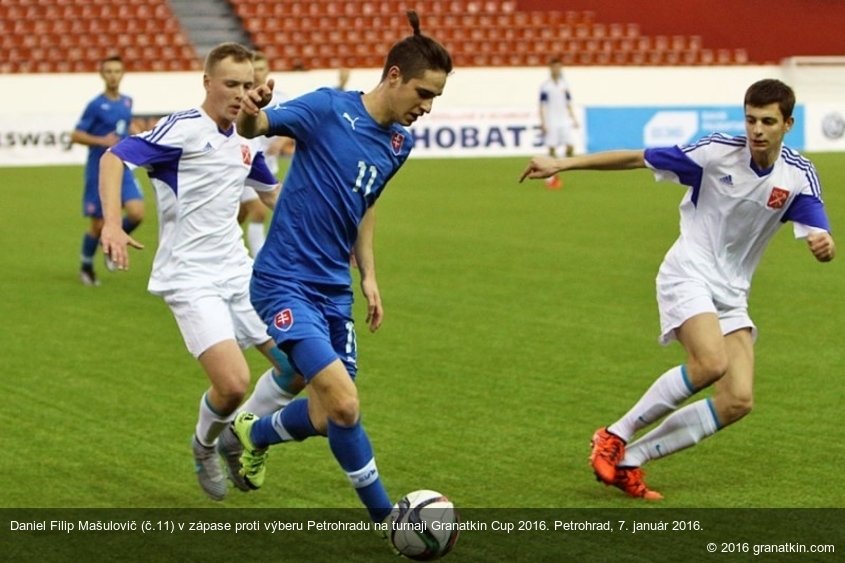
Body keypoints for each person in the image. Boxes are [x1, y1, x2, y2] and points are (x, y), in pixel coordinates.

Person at [520, 79, 835, 500]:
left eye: (767, 121)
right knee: (710, 363)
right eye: (750, 119)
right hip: (687, 272)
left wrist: (824, 244)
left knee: (738, 400)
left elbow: (821, 235)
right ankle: (613, 434)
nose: (757, 130)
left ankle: (630, 460)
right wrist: (565, 164)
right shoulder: (714, 152)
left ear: (787, 124)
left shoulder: (797, 176)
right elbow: (636, 158)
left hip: (731, 293)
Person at [231, 10, 452, 531]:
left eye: (436, 98)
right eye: (423, 93)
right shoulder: (328, 108)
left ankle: (254, 434)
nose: (427, 107)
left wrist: (368, 275)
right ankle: (389, 521)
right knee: (346, 404)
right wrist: (251, 110)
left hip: (334, 288)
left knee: (331, 413)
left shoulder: (401, 144)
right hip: (284, 281)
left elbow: (364, 204)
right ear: (393, 75)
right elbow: (255, 127)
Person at [99, 43, 304, 501]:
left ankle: (236, 438)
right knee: (232, 384)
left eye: (247, 85)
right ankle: (204, 445)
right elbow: (114, 158)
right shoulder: (181, 130)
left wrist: (336, 230)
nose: (240, 93)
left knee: (297, 369)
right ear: (207, 82)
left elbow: (274, 196)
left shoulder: (248, 139)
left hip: (239, 273)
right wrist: (112, 222)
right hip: (190, 277)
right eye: (231, 84)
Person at [71, 55, 144, 286]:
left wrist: (135, 132)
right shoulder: (95, 105)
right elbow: (76, 135)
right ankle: (86, 266)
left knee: (137, 212)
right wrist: (101, 140)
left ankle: (112, 241)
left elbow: (123, 126)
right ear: (102, 75)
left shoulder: (127, 102)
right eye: (109, 71)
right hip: (99, 169)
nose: (113, 75)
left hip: (122, 166)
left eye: (117, 71)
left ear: (122, 74)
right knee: (97, 225)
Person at [238, 51, 293, 257]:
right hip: (244, 166)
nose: (258, 74)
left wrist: (281, 142)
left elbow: (293, 128)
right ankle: (258, 261)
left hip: (268, 166)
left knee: (241, 215)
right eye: (255, 69)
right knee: (259, 212)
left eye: (262, 69)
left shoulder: (281, 99)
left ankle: (218, 242)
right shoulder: (241, 99)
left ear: (267, 71)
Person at [538, 57, 579, 189]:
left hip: (564, 121)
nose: (557, 69)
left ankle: (559, 166)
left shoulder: (564, 85)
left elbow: (568, 104)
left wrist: (573, 118)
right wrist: (543, 122)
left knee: (571, 147)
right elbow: (542, 106)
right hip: (551, 121)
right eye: (554, 67)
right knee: (551, 148)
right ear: (550, 68)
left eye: (559, 67)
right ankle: (551, 176)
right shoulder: (545, 87)